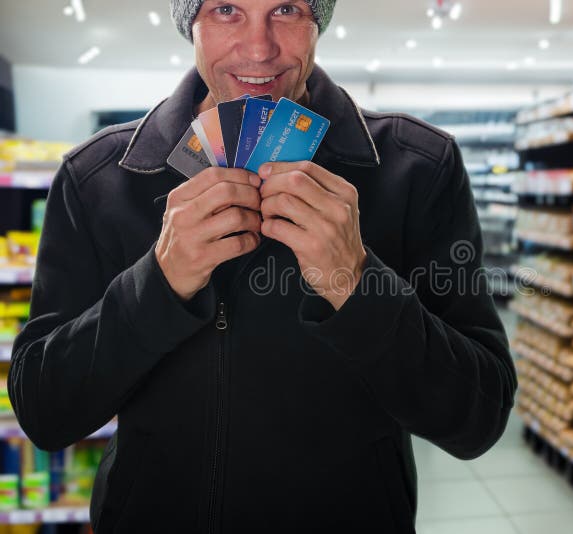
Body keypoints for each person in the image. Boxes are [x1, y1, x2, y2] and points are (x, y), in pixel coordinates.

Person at [8, 0, 518, 532]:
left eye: (287, 9)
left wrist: (357, 283)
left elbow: (476, 419)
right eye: (227, 9)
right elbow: (45, 412)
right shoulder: (100, 179)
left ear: (317, 21)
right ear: (190, 24)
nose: (259, 48)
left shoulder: (417, 167)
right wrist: (157, 285)